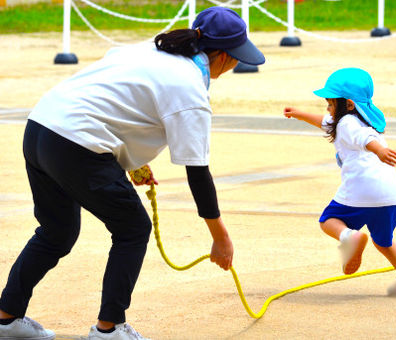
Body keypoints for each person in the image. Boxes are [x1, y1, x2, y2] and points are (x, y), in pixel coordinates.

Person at [0, 6, 265, 340]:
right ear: (225, 57)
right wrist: (220, 238)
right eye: (237, 57)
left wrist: (135, 163)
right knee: (132, 228)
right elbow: (198, 174)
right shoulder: (190, 89)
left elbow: (116, 98)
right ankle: (109, 329)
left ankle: (6, 320)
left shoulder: (153, 49)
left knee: (56, 231)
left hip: (41, 128)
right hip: (78, 143)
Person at [283, 67, 396, 299]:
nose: (327, 109)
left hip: (362, 189)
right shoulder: (360, 121)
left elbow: (363, 139)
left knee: (328, 220)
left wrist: (379, 150)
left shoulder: (348, 123)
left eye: (330, 104)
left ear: (348, 104)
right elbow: (326, 122)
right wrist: (300, 114)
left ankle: (350, 237)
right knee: (384, 242)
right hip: (390, 195)